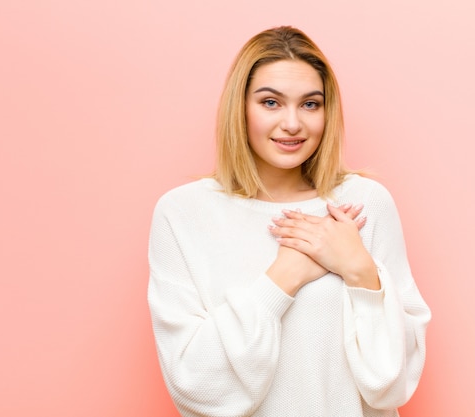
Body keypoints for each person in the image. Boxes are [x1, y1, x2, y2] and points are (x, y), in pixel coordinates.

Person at [148, 26, 431, 417]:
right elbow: (195, 385)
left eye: (311, 104)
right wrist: (284, 276)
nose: (293, 124)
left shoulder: (365, 203)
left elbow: (392, 383)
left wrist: (360, 271)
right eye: (271, 103)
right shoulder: (182, 214)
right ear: (240, 107)